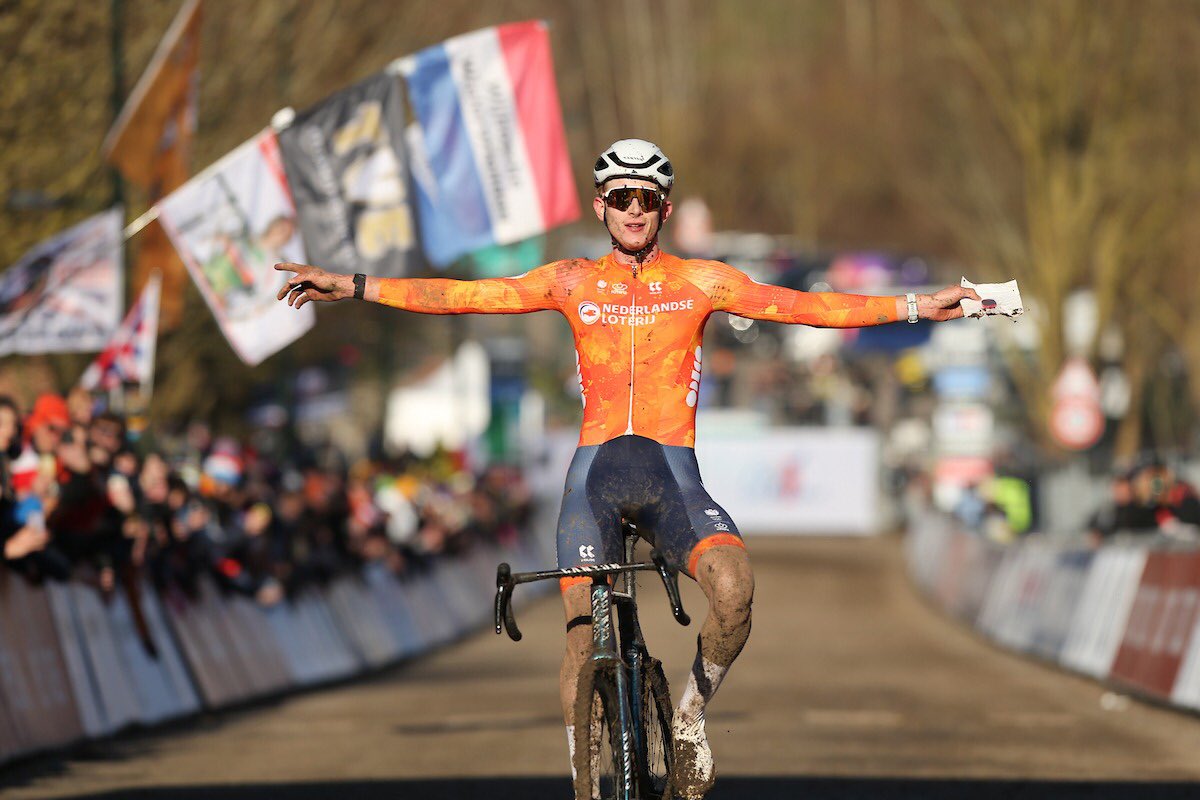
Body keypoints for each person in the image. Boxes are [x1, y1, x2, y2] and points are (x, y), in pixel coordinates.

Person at [274, 138, 978, 799]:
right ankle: (584, 781)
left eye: (645, 198)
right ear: (600, 206)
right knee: (583, 634)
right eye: (620, 198)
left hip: (674, 478)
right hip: (594, 483)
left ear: (664, 208)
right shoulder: (570, 280)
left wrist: (919, 305)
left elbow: (810, 308)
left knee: (734, 592)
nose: (633, 210)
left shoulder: (701, 280)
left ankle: (690, 715)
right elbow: (463, 294)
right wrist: (355, 285)